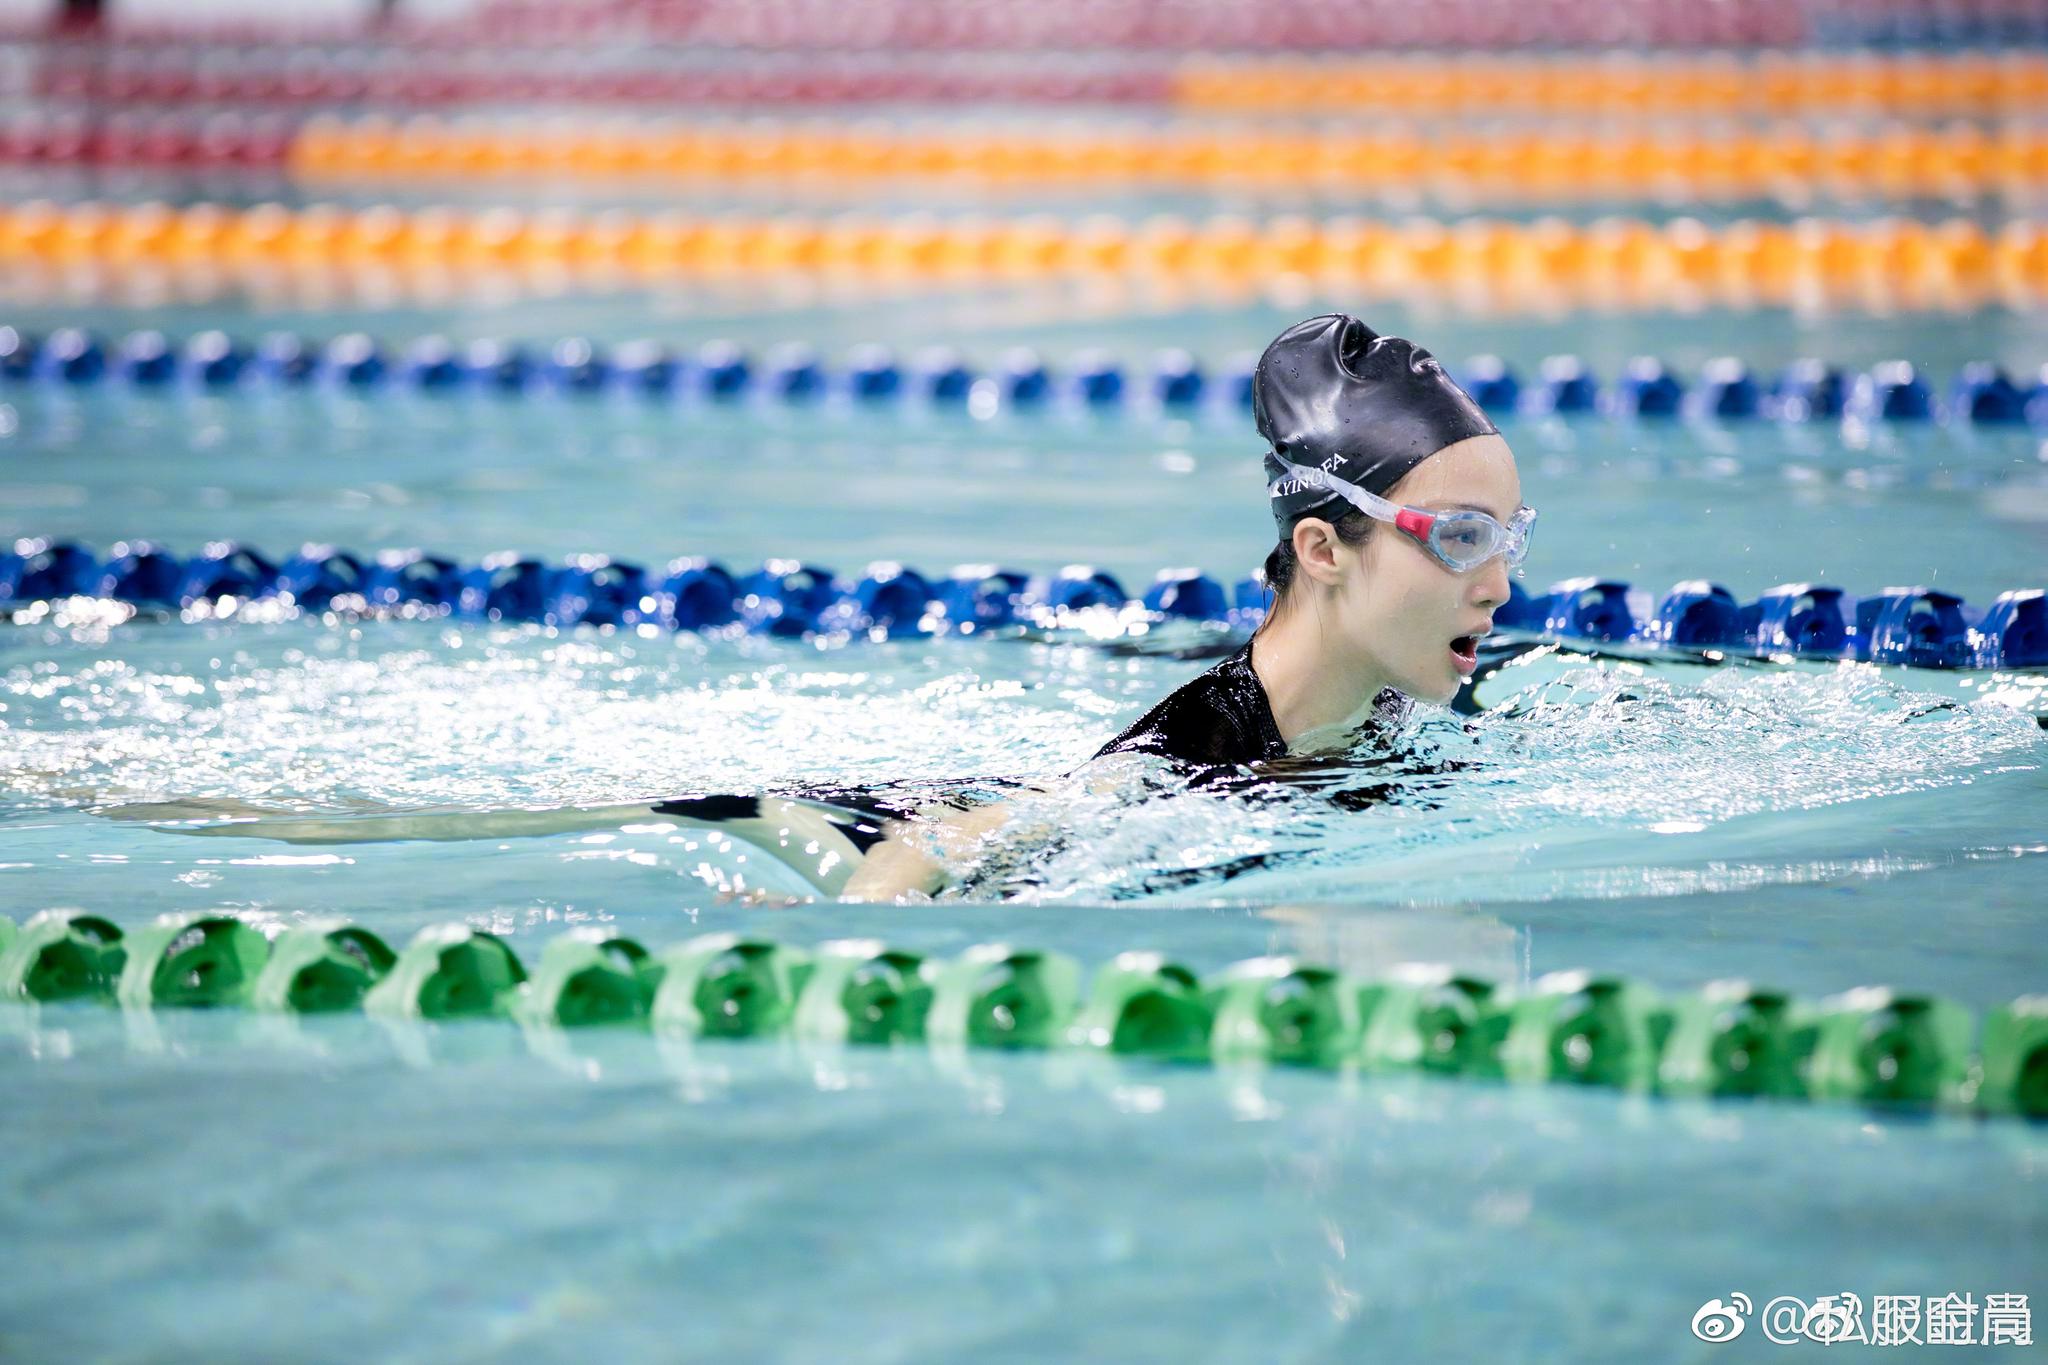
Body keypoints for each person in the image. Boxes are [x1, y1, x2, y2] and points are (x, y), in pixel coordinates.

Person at [838, 312, 1533, 898]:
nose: (1498, 585)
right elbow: (939, 842)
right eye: (1461, 537)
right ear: (1323, 550)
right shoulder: (1193, 756)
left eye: (1509, 538)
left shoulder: (1392, 696)